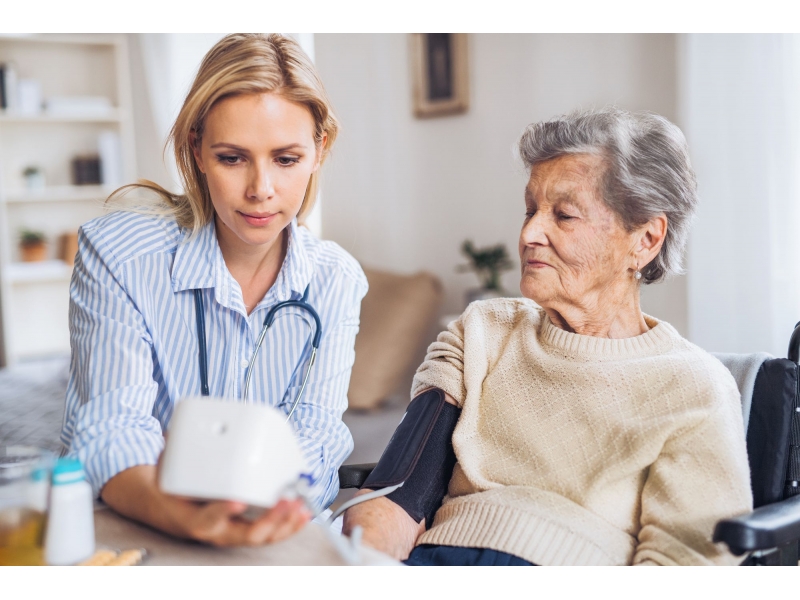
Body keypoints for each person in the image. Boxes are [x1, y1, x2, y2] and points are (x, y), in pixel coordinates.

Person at [343, 107, 753, 566]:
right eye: (530, 209)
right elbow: (399, 495)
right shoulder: (480, 332)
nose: (529, 232)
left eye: (564, 215)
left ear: (645, 239)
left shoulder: (694, 387)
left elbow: (686, 564)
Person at [60, 33, 367, 547]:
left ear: (320, 150)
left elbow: (316, 439)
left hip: (272, 531)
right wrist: (186, 515)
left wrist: (249, 509)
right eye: (232, 158)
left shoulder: (336, 280)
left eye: (286, 159)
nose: (261, 189)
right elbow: (112, 431)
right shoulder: (118, 255)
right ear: (195, 149)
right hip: (137, 527)